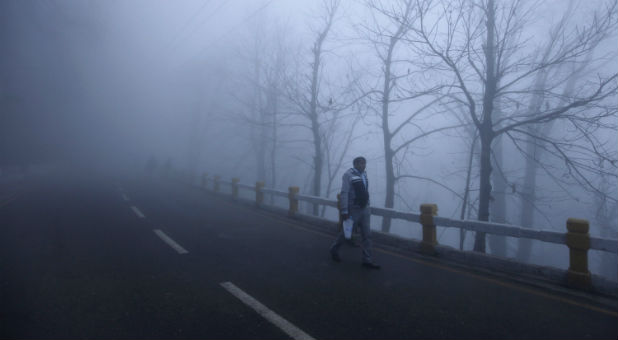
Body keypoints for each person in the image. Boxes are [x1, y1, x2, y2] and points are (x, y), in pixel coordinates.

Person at [330, 156, 380, 269]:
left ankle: (367, 260)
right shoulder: (348, 175)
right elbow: (344, 193)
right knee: (346, 233)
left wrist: (368, 204)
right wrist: (344, 210)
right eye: (361, 164)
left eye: (364, 163)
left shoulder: (364, 175)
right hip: (353, 209)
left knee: (367, 235)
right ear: (355, 164)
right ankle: (334, 248)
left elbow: (365, 191)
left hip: (365, 209)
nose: (363, 165)